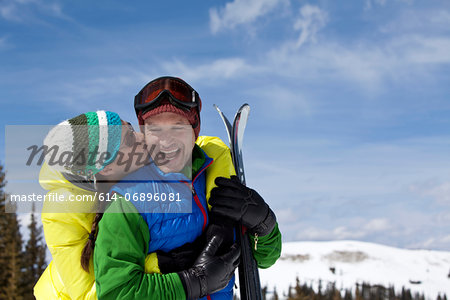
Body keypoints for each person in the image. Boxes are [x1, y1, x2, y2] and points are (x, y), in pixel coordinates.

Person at [93, 76, 282, 299]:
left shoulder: (215, 179)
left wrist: (264, 223)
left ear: (195, 130)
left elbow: (264, 259)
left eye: (177, 126)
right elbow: (115, 292)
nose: (166, 141)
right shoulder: (128, 202)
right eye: (155, 129)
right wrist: (193, 282)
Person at [33, 111, 203, 299]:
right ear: (106, 167)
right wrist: (161, 264)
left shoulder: (124, 170)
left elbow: (205, 144)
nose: (141, 137)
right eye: (130, 139)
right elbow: (94, 292)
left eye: (129, 127)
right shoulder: (62, 211)